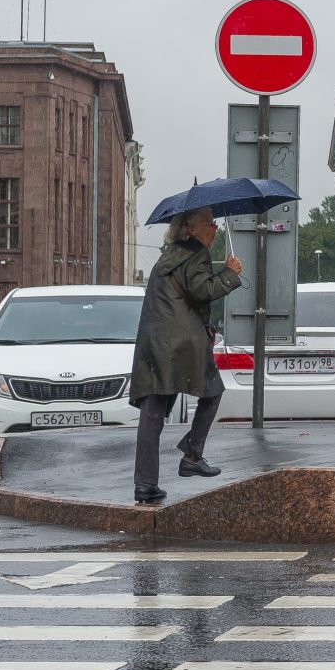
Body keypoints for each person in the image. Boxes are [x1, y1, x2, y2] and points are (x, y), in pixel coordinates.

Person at [128, 207, 242, 504]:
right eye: (209, 224)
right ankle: (192, 454)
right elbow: (202, 290)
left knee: (152, 416)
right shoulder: (196, 253)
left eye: (215, 224)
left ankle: (145, 484)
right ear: (189, 228)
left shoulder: (169, 254)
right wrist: (230, 274)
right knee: (213, 392)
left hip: (153, 343)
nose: (214, 229)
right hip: (181, 344)